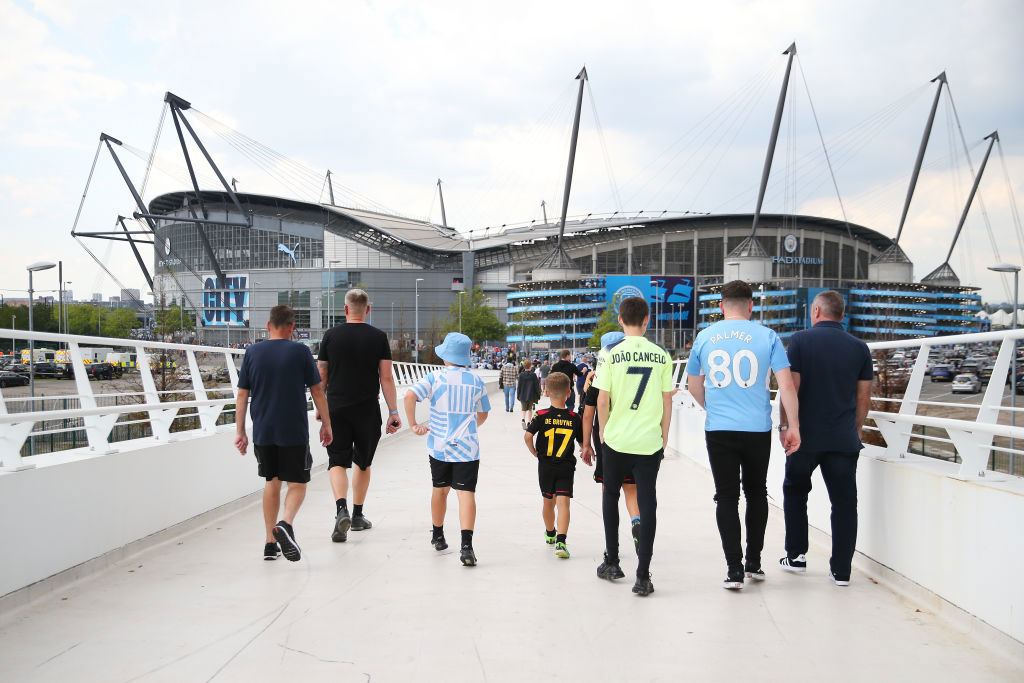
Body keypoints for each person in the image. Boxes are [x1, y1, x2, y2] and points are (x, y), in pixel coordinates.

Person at [685, 280, 801, 591]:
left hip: (720, 428)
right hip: (756, 428)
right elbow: (787, 386)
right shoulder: (768, 336)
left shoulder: (705, 337)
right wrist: (793, 427)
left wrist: (713, 406)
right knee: (756, 493)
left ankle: (733, 570)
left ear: (721, 306)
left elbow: (694, 385)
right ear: (751, 306)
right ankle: (754, 562)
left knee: (726, 496)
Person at [778, 291, 872, 586]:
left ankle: (796, 556)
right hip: (843, 438)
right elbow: (863, 397)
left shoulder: (801, 341)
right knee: (844, 503)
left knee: (795, 492)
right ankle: (841, 570)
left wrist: (786, 425)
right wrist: (855, 428)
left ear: (816, 311)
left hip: (805, 436)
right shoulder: (859, 347)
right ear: (842, 315)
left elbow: (791, 387)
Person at [234, 305, 332, 562]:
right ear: (291, 328)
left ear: (268, 326)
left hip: (263, 430)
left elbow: (243, 394)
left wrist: (240, 431)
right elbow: (318, 391)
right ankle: (285, 524)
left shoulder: (252, 352)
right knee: (298, 484)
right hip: (293, 430)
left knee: (271, 482)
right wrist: (327, 423)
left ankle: (269, 543)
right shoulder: (300, 351)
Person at [593, 297, 674, 597]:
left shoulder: (610, 355)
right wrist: (665, 435)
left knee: (610, 494)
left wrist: (603, 430)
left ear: (620, 320)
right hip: (649, 442)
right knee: (647, 501)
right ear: (647, 320)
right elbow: (667, 400)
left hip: (617, 439)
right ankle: (643, 575)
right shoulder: (661, 355)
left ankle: (612, 561)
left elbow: (602, 399)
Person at [317, 289, 400, 543]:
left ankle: (340, 509)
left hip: (337, 408)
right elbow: (386, 378)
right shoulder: (378, 337)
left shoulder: (330, 336)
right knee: (362, 463)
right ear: (367, 310)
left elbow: (321, 378)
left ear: (345, 309)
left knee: (337, 462)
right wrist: (393, 412)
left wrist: (322, 410)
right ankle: (358, 515)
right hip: (367, 409)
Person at [404, 332, 491, 566]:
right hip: (468, 448)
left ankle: (438, 535)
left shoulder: (435, 378)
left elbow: (410, 395)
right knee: (466, 494)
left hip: (439, 445)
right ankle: (467, 547)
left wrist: (413, 424)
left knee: (440, 490)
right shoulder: (476, 381)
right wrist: (471, 426)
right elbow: (483, 413)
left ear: (446, 357)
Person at [581, 331, 642, 553]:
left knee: (610, 493)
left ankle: (611, 546)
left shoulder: (600, 378)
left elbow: (588, 414)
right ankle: (636, 522)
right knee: (632, 490)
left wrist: (586, 444)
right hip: (635, 436)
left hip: (608, 439)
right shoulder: (635, 374)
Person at [524, 372, 583, 558]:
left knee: (548, 501)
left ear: (546, 393)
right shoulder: (574, 418)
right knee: (564, 502)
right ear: (569, 393)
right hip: (565, 466)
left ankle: (550, 533)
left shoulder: (541, 415)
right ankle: (561, 541)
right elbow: (582, 443)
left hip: (546, 466)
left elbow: (527, 436)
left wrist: (534, 452)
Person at [517, 358, 541, 429]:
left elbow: (519, 386)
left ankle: (523, 420)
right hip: (531, 395)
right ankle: (529, 422)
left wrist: (518, 395)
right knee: (530, 409)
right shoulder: (533, 375)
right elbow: (537, 386)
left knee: (523, 409)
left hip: (522, 395)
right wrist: (538, 394)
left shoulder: (521, 375)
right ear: (530, 366)